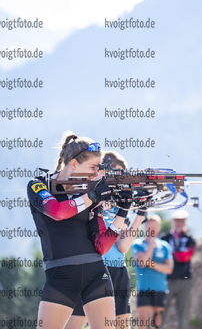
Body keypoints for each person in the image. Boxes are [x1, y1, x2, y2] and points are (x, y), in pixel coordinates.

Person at [27, 132, 131, 329]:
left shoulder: (88, 195)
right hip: (61, 275)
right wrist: (92, 195)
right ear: (73, 164)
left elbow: (101, 247)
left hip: (96, 273)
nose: (95, 174)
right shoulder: (38, 184)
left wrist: (122, 212)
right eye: (93, 168)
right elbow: (57, 212)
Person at [66, 150, 148, 329]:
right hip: (91, 269)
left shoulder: (122, 202)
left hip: (118, 270)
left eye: (121, 175)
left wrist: (140, 212)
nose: (118, 179)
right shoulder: (89, 196)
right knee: (75, 323)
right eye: (114, 174)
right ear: (101, 171)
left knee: (122, 325)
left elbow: (122, 247)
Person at [132, 215, 174, 329]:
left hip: (160, 288)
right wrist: (151, 246)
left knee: (156, 323)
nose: (152, 230)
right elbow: (141, 263)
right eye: (150, 227)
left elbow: (169, 268)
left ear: (159, 228)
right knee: (143, 323)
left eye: (155, 227)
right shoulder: (138, 244)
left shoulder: (165, 246)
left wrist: (151, 264)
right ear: (145, 228)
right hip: (144, 289)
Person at [161, 210, 196, 329]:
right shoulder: (164, 239)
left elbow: (186, 256)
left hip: (185, 280)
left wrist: (170, 255)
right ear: (173, 222)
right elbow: (161, 256)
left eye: (181, 221)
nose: (178, 223)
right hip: (167, 280)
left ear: (185, 222)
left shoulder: (190, 239)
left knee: (183, 315)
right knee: (161, 313)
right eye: (176, 221)